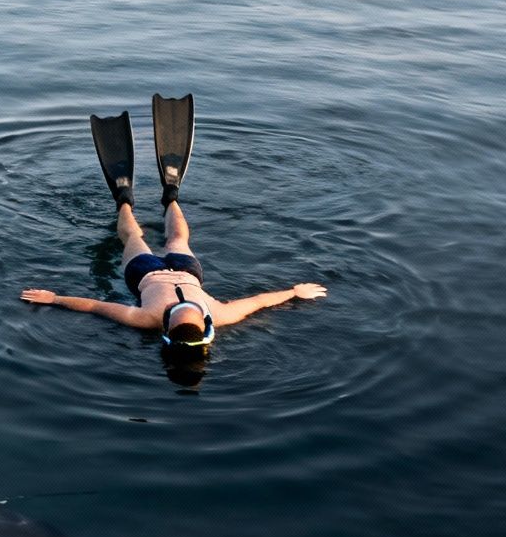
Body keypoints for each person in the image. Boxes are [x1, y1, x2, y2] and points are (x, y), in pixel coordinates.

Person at [19, 95, 325, 357]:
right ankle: (170, 193)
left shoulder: (146, 318)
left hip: (144, 273)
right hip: (187, 270)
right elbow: (260, 301)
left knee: (131, 235)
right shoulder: (221, 314)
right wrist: (294, 292)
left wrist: (55, 298)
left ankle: (124, 198)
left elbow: (95, 305)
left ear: (168, 327)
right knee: (178, 235)